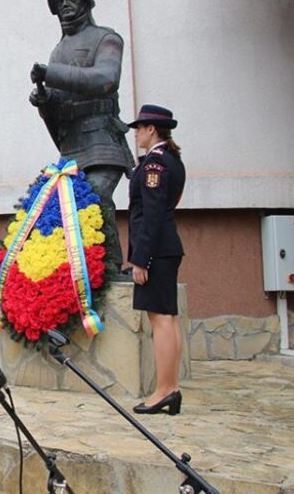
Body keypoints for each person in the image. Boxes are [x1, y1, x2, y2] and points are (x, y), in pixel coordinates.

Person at [29, 0, 135, 271]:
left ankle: (111, 266)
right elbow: (59, 109)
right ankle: (79, 270)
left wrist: (52, 74)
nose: (64, 5)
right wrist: (45, 101)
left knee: (97, 193)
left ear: (86, 2)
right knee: (62, 208)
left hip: (102, 141)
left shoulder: (107, 39)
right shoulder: (58, 51)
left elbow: (106, 79)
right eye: (59, 0)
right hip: (72, 146)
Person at [126, 105, 186, 416]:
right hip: (166, 246)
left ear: (152, 130)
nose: (136, 133)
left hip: (157, 249)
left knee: (160, 320)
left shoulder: (155, 165)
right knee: (168, 318)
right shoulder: (171, 160)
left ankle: (165, 389)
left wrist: (141, 259)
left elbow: (150, 215)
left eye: (140, 127)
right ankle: (171, 387)